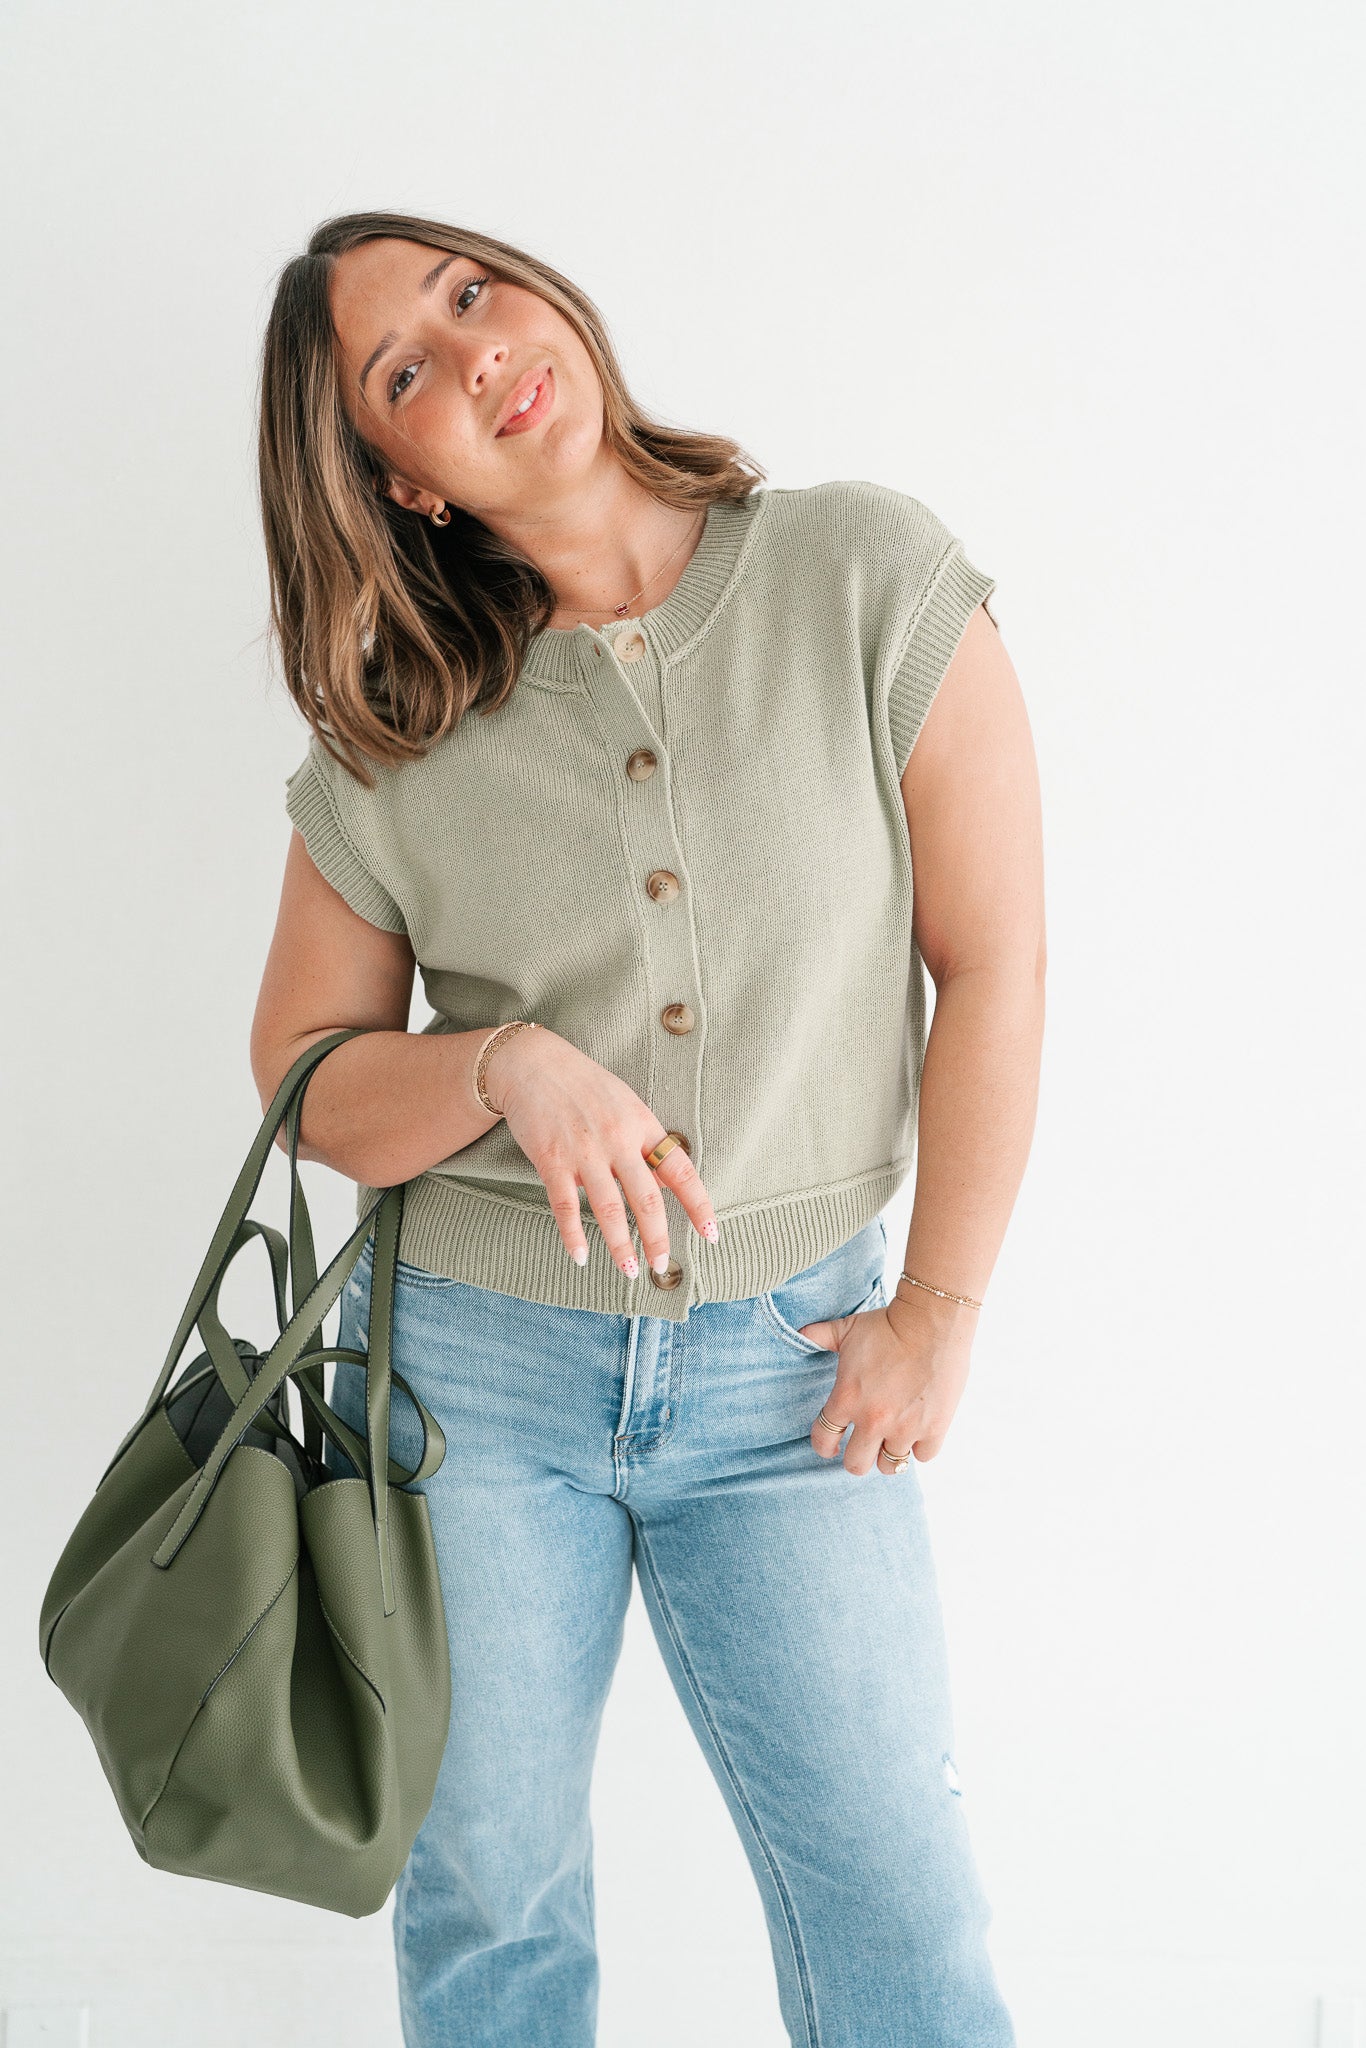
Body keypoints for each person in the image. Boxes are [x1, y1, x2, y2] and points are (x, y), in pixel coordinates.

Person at [250, 210, 1042, 2048]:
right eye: (405, 372)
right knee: (491, 1909)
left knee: (896, 1912)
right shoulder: (394, 724)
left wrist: (938, 1306)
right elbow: (302, 1077)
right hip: (469, 1387)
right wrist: (496, 1067)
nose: (475, 353)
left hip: (798, 1374)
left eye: (469, 291)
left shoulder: (861, 573)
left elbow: (993, 962)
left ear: (538, 289)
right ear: (400, 480)